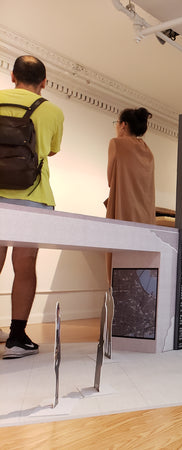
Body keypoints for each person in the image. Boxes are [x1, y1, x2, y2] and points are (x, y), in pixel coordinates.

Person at [0, 55, 64, 359]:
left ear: (13, 76)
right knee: (24, 266)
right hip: (33, 195)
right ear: (44, 82)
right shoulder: (52, 111)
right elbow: (50, 149)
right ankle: (16, 338)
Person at [105, 107, 155, 281]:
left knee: (119, 264)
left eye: (116, 123)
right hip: (145, 217)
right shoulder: (148, 151)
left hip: (123, 211)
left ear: (124, 124)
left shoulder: (116, 143)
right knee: (140, 268)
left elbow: (110, 180)